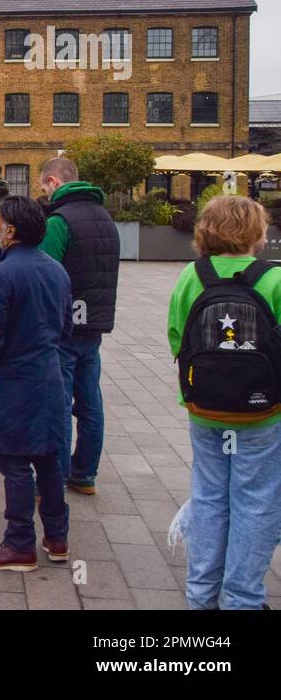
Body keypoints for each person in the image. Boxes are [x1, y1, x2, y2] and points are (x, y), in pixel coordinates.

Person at [166, 195, 281, 609]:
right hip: (263, 412)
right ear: (255, 232)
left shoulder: (191, 276)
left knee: (210, 496)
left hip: (206, 409)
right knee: (257, 500)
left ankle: (201, 597)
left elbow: (177, 338)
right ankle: (242, 599)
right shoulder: (275, 279)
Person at [0, 196, 73, 571]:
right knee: (48, 459)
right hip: (48, 377)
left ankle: (19, 543)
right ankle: (57, 538)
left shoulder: (1, 274)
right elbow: (66, 327)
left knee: (14, 464)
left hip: (11, 382)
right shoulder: (57, 270)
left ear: (10, 230)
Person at [40, 156, 119, 495]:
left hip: (65, 326)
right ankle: (84, 473)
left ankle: (53, 477)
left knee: (57, 404)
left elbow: (45, 271)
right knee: (90, 403)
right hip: (95, 326)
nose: (44, 193)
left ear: (54, 182)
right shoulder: (106, 218)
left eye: (45, 187)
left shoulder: (59, 220)